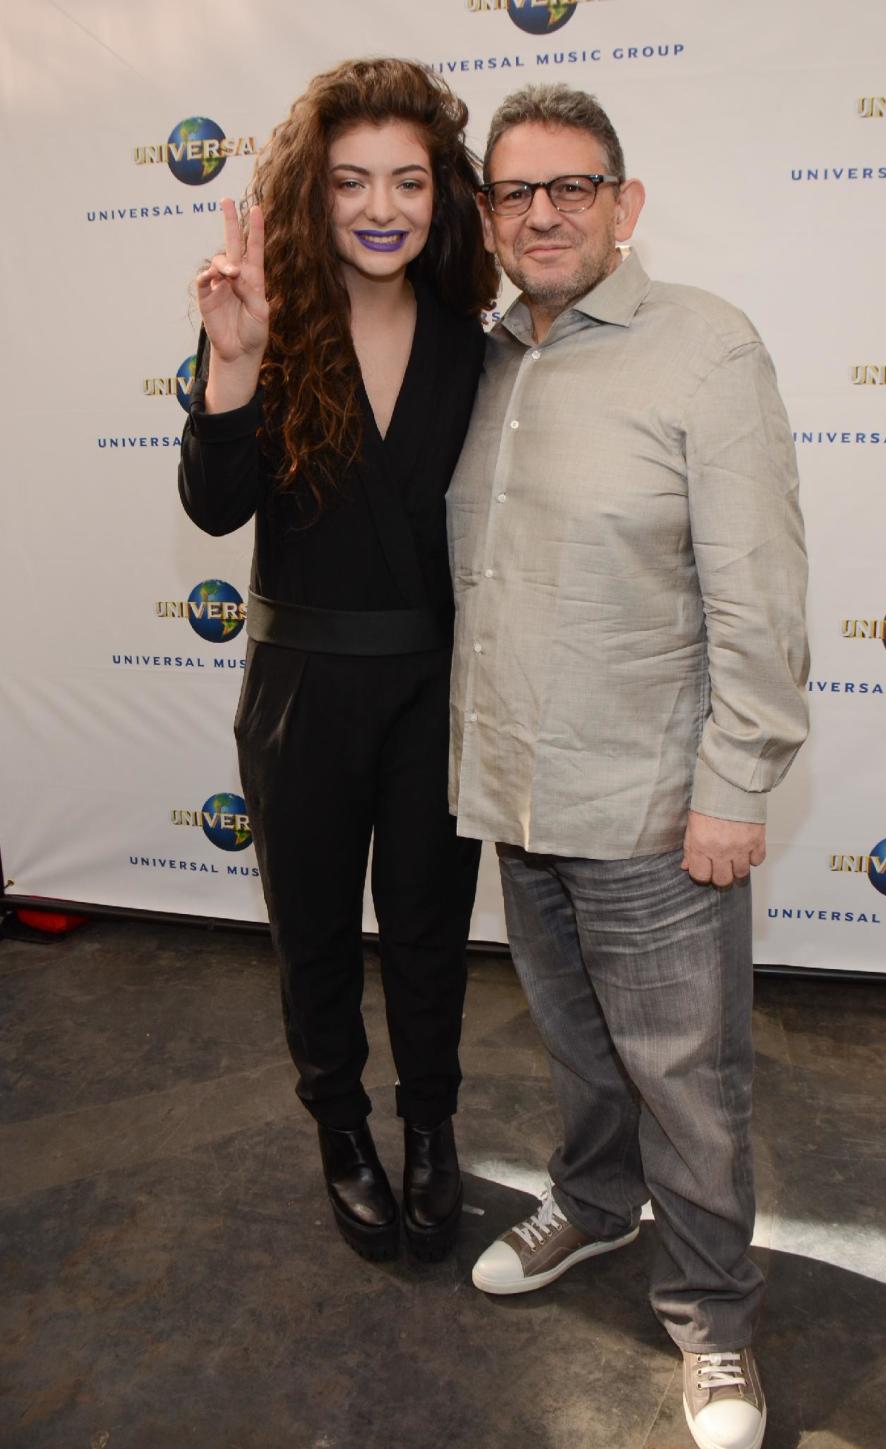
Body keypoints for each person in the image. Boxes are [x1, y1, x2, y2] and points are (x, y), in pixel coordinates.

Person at [448, 85, 808, 1449]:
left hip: (657, 805)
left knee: (688, 1078)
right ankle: (596, 1210)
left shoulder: (705, 351)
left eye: (573, 188)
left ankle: (716, 1317)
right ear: (487, 218)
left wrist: (736, 782)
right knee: (580, 1051)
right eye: (517, 193)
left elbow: (760, 585)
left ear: (624, 204)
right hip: (520, 793)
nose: (544, 214)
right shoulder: (480, 364)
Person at [178, 59, 498, 1264]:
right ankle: (342, 1130)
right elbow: (214, 512)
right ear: (312, 195)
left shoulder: (475, 342)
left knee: (428, 929)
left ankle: (431, 1128)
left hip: (435, 689)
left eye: (408, 181)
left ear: (441, 196)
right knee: (312, 930)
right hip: (301, 689)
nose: (381, 206)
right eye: (352, 180)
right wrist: (235, 361)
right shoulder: (267, 320)